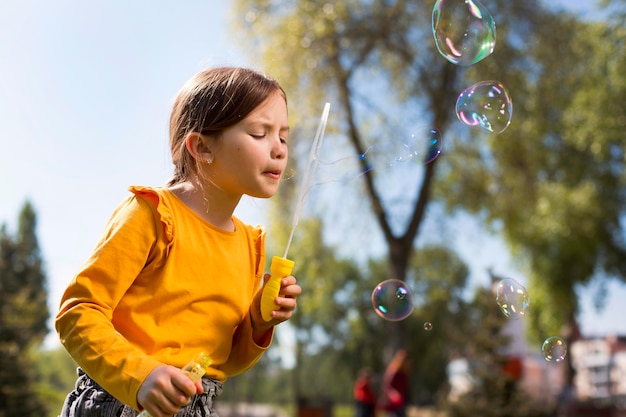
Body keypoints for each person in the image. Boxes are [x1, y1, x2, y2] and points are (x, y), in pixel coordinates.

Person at [55, 67, 302, 417]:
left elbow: (227, 361)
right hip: (121, 401)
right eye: (260, 133)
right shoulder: (152, 215)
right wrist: (140, 376)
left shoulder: (250, 244)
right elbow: (77, 313)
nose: (279, 149)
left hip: (198, 407)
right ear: (201, 147)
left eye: (284, 136)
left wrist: (259, 323)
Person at [379, 349, 411, 417]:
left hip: (401, 403)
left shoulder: (404, 373)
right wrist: (394, 395)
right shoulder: (393, 371)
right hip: (394, 403)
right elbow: (387, 386)